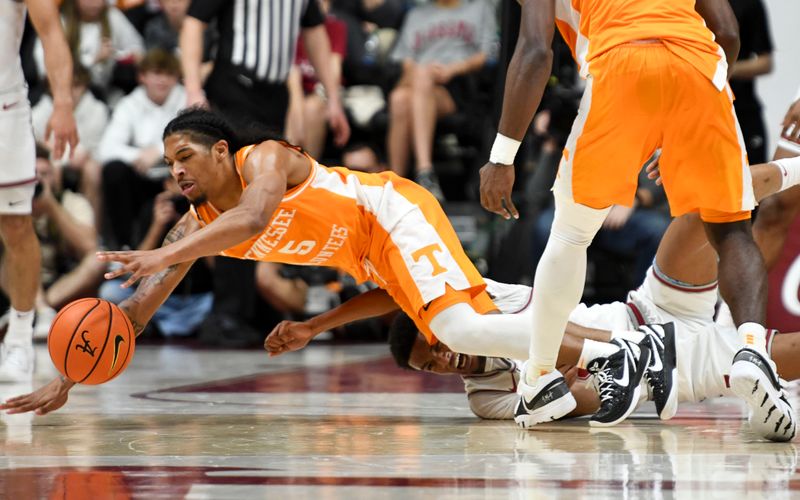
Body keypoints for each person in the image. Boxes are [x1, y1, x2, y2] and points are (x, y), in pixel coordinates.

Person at [0, 107, 644, 416]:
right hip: (377, 257)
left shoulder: (267, 160)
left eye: (186, 156)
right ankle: (623, 336)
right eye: (168, 163)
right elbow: (133, 316)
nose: (175, 170)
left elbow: (252, 220)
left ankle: (618, 353)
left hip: (393, 211)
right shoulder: (200, 226)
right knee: (478, 319)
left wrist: (162, 250)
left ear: (222, 151)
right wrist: (70, 375)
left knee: (461, 329)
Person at [264, 154, 800, 441]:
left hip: (646, 309)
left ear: (434, 323)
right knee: (789, 353)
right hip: (673, 370)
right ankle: (648, 355)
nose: (444, 362)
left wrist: (315, 326)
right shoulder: (484, 400)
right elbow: (587, 403)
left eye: (432, 347)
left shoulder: (476, 304)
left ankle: (793, 163)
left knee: (704, 206)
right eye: (432, 369)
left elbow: (393, 291)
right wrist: (580, 388)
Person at [478, 0, 777, 429]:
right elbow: (727, 31)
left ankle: (540, 377)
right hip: (700, 66)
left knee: (570, 235)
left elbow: (534, 51)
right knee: (731, 230)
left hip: (621, 62)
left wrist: (502, 157)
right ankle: (751, 349)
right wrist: (689, 106)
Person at [0, 0, 79, 382]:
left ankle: (18, 340)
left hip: (4, 105)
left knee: (16, 224)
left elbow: (51, 31)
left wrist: (63, 103)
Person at [387, 0, 497, 200]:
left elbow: (486, 54)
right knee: (399, 99)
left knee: (408, 89)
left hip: (459, 84)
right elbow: (406, 61)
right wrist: (424, 74)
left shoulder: (479, 7)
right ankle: (400, 184)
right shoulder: (416, 15)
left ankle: (417, 174)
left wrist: (452, 69)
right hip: (420, 83)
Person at [97, 48, 185, 250]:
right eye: (156, 73)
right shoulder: (129, 104)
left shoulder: (188, 98)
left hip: (177, 178)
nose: (162, 80)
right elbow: (106, 149)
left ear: (176, 78)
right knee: (114, 171)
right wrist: (138, 155)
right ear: (142, 76)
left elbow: (198, 141)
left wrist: (160, 150)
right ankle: (124, 246)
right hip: (142, 178)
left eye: (168, 74)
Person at [29, 145, 106, 339]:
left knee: (99, 259)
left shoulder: (72, 201)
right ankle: (39, 311)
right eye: (33, 175)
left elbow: (89, 246)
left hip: (63, 284)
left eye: (45, 174)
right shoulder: (10, 206)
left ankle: (41, 311)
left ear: (55, 177)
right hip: (21, 283)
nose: (39, 181)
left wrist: (51, 207)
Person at [728, 0, 773, 166]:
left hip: (743, 111)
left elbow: (765, 62)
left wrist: (723, 69)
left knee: (754, 182)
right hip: (701, 112)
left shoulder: (749, 4)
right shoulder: (688, 5)